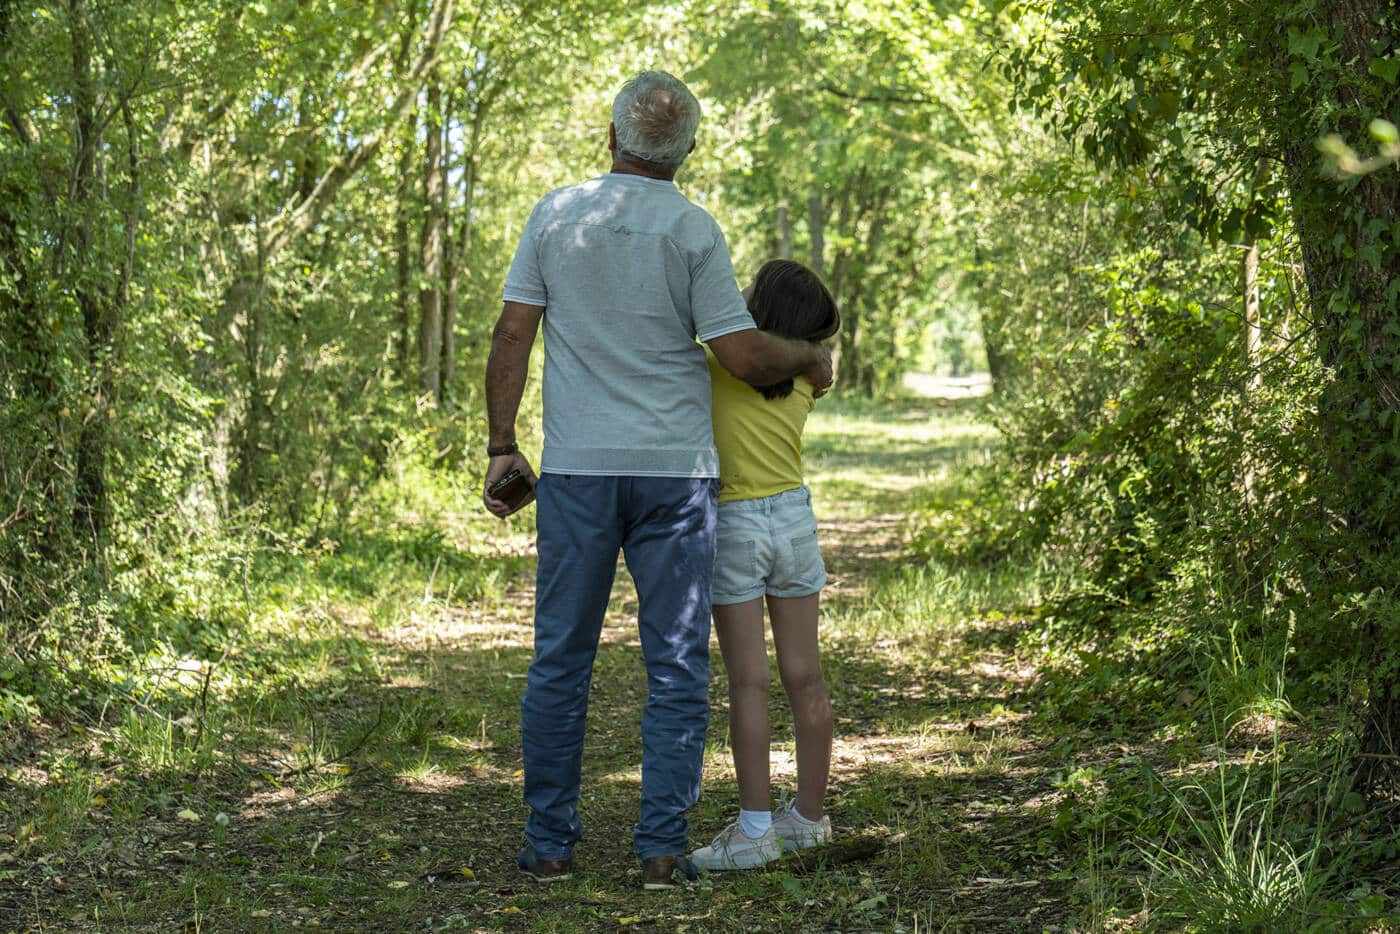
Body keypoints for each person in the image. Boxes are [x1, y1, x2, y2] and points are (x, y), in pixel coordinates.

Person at [482, 71, 833, 890]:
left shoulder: (556, 215)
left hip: (578, 469)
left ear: (612, 137)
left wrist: (502, 445)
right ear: (688, 153)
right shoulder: (694, 231)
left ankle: (550, 844)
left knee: (560, 659)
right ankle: (661, 849)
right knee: (675, 663)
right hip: (676, 479)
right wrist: (809, 358)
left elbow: (511, 335)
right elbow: (744, 355)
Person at [690, 260, 838, 871]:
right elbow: (812, 363)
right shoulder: (810, 380)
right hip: (795, 520)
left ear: (761, 314)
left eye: (749, 291)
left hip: (737, 524)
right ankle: (808, 817)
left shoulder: (712, 368)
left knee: (748, 681)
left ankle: (754, 830)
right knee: (807, 676)